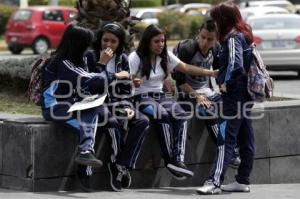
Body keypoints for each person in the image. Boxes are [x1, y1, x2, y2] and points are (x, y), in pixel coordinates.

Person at [40, 24, 131, 192]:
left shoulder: (77, 60)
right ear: (77, 43)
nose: (89, 47)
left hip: (70, 104)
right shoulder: (62, 62)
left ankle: (85, 156)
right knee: (91, 122)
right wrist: (104, 65)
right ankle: (85, 158)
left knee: (93, 113)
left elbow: (90, 85)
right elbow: (95, 80)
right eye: (86, 43)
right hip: (54, 107)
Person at [128, 24, 218, 179]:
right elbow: (127, 78)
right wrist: (133, 81)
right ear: (147, 41)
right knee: (161, 114)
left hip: (160, 96)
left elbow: (186, 68)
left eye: (162, 41)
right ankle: (169, 159)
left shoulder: (166, 56)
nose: (160, 44)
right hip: (140, 97)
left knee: (181, 115)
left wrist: (211, 72)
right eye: (156, 41)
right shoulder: (135, 57)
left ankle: (178, 159)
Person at [196, 1, 255, 194]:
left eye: (216, 19)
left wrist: (225, 83)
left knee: (225, 139)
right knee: (246, 138)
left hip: (234, 95)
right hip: (246, 94)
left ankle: (214, 182)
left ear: (223, 20)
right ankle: (242, 180)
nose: (214, 23)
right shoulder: (245, 34)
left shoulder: (232, 38)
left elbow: (235, 65)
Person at [84, 22, 149, 191]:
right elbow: (92, 87)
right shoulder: (90, 57)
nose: (108, 45)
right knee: (112, 123)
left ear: (120, 43)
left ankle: (121, 164)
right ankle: (114, 163)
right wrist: (102, 64)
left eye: (113, 41)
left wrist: (126, 85)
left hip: (118, 105)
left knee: (141, 120)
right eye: (105, 40)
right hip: (97, 104)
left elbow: (126, 89)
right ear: (99, 39)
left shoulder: (123, 59)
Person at [172, 18, 241, 169]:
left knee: (231, 107)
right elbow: (180, 83)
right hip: (188, 94)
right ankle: (227, 152)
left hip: (208, 91)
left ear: (216, 39)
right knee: (207, 110)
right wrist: (197, 97)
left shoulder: (216, 48)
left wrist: (224, 89)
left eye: (210, 39)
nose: (205, 42)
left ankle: (233, 149)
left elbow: (219, 74)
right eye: (202, 37)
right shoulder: (187, 49)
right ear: (198, 34)